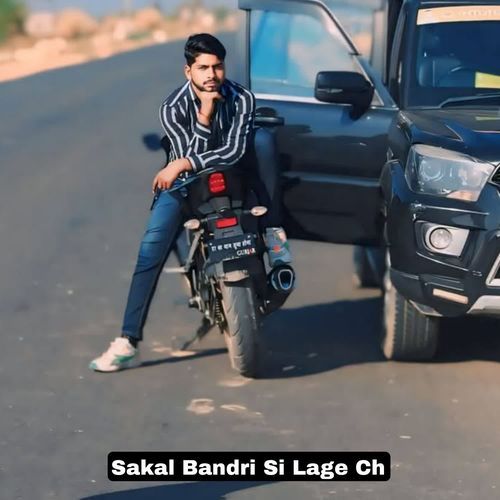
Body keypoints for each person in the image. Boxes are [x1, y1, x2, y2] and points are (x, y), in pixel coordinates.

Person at [89, 33, 292, 373]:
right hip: (185, 185)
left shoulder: (242, 98)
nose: (211, 75)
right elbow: (193, 162)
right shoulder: (172, 108)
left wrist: (182, 162)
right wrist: (205, 116)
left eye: (217, 66)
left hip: (232, 176)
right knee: (151, 249)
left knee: (263, 140)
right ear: (189, 71)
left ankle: (273, 233)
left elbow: (234, 151)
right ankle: (127, 341)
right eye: (203, 68)